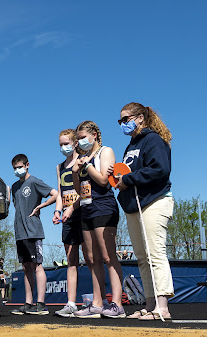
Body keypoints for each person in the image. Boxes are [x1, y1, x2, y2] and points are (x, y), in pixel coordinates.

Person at [109, 103, 175, 321]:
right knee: (142, 258)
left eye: (125, 119)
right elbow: (129, 171)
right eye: (120, 121)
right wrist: (118, 177)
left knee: (155, 254)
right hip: (134, 205)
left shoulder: (153, 139)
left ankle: (162, 307)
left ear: (140, 118)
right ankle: (150, 305)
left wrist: (127, 179)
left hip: (154, 201)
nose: (122, 124)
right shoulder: (131, 145)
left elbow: (160, 169)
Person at [63, 121, 126, 318]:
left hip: (103, 207)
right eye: (78, 138)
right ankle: (98, 303)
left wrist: (87, 165)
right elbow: (79, 189)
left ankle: (117, 304)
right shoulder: (83, 157)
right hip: (86, 208)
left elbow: (103, 180)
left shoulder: (105, 152)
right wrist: (75, 171)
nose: (80, 141)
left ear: (94, 135)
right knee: (92, 259)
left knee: (108, 256)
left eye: (83, 137)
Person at [8, 153, 57, 316]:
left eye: (20, 167)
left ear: (27, 165)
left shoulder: (34, 181)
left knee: (37, 266)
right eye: (15, 168)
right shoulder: (14, 187)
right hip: (20, 232)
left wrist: (40, 207)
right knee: (26, 267)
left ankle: (41, 304)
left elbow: (55, 194)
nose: (18, 170)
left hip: (33, 230)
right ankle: (28, 304)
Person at [52, 129, 92, 318]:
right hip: (67, 217)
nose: (63, 147)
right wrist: (57, 211)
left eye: (66, 143)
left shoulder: (82, 161)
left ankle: (99, 299)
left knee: (90, 258)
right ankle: (71, 303)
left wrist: (72, 208)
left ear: (75, 143)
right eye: (61, 144)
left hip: (82, 213)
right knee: (71, 261)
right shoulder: (59, 167)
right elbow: (60, 192)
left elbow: (85, 191)